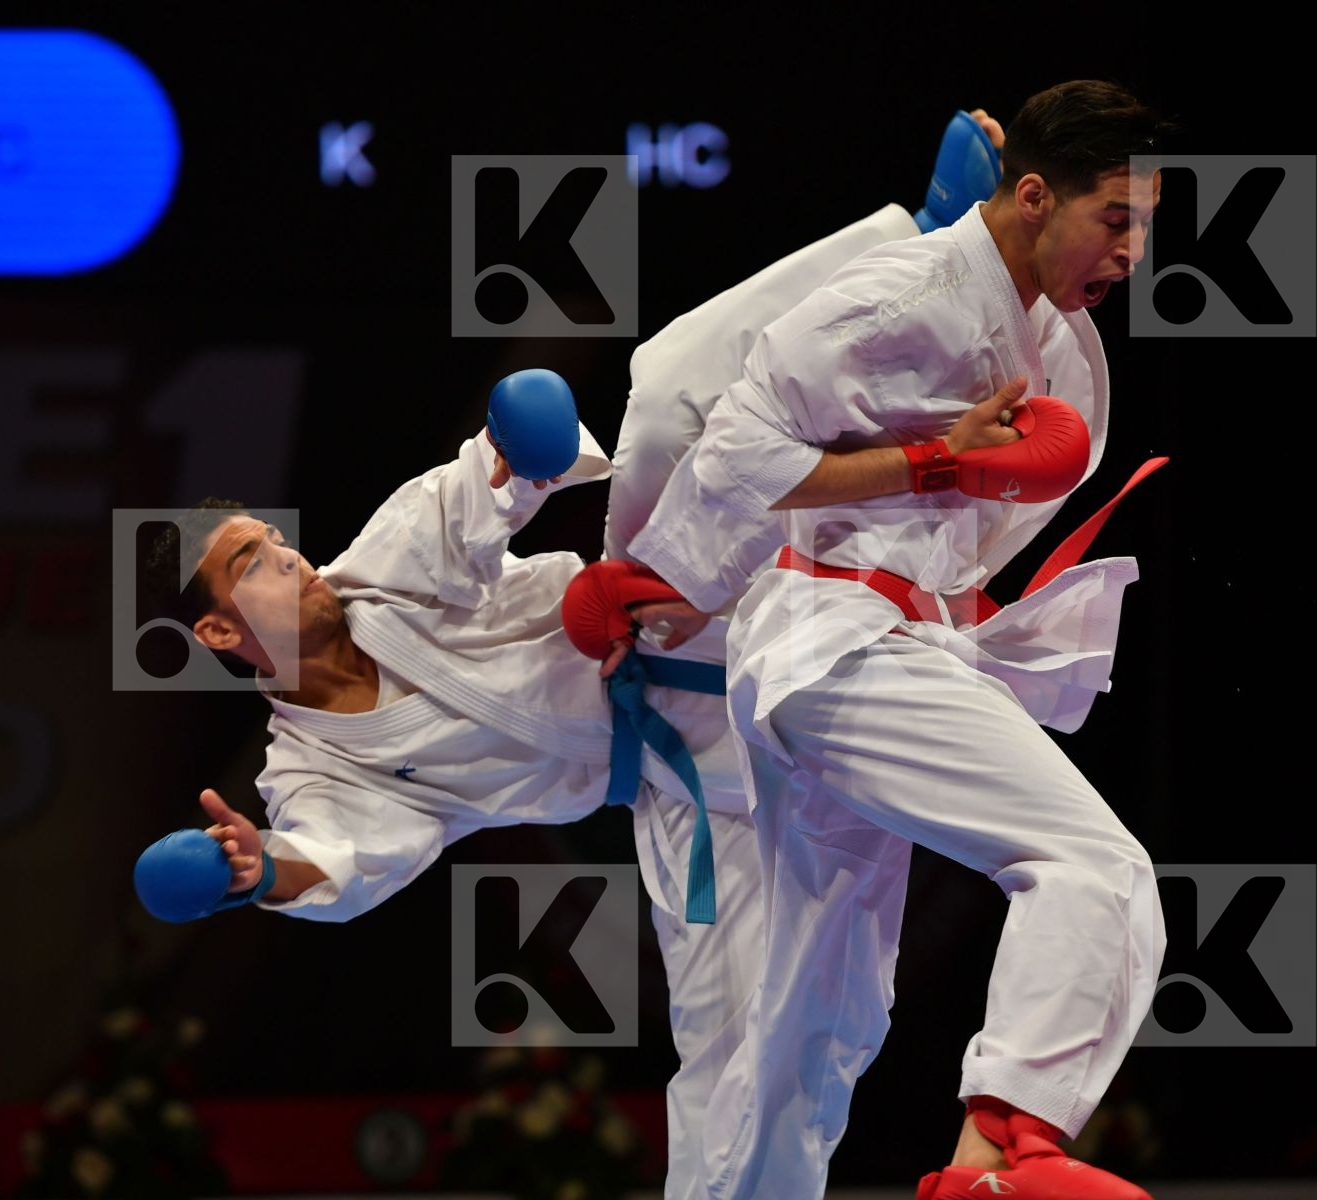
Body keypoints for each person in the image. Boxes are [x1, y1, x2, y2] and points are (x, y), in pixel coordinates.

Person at [144, 106, 1009, 1200]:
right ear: (222, 631)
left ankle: (926, 237)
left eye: (278, 541)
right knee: (767, 1049)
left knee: (671, 380)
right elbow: (344, 863)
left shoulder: (376, 571)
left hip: (671, 590)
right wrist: (265, 871)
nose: (294, 560)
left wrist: (520, 453)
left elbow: (471, 501)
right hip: (694, 779)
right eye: (257, 565)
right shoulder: (318, 773)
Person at [620, 80, 1171, 1200]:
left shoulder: (1062, 350)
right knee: (1096, 868)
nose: (1131, 253)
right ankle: (1004, 1153)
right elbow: (731, 451)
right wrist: (928, 463)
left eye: (1145, 228)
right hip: (833, 642)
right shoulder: (896, 298)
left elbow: (963, 535)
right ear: (1030, 199)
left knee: (819, 1022)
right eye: (1116, 220)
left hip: (872, 644)